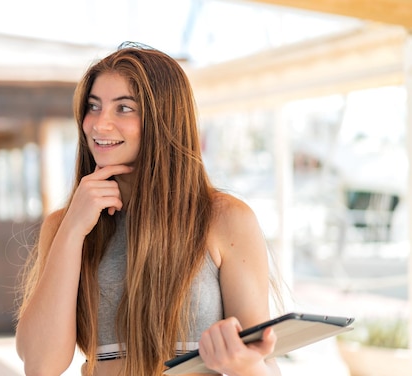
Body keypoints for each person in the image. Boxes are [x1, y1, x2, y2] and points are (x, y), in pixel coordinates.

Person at [15, 42, 282, 376]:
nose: (99, 124)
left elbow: (264, 363)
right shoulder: (65, 225)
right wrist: (71, 232)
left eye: (123, 108)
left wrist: (242, 362)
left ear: (164, 118)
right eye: (93, 107)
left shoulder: (225, 219)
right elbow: (40, 366)